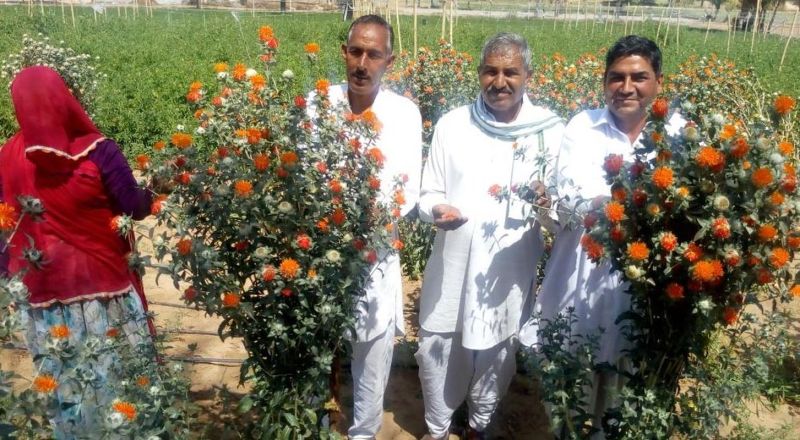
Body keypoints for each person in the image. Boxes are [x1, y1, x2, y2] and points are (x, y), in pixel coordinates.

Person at [528, 35, 685, 431]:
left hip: (642, 293)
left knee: (623, 402)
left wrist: (614, 204)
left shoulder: (678, 134)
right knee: (568, 396)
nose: (626, 87)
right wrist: (636, 205)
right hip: (578, 281)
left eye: (639, 77)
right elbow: (574, 196)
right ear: (604, 82)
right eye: (616, 77)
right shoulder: (583, 126)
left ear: (658, 82)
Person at [416, 32, 564, 440]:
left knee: (498, 351)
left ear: (528, 75)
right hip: (453, 261)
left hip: (509, 271)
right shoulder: (453, 124)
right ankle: (437, 426)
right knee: (437, 344)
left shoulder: (549, 131)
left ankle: (479, 425)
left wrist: (546, 202)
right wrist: (437, 209)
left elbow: (558, 216)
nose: (499, 81)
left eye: (510, 72)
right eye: (490, 71)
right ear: (479, 73)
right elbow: (429, 191)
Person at [0, 66, 154, 436]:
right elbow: (133, 206)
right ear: (65, 99)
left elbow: (4, 227)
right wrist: (153, 192)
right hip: (105, 292)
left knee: (66, 387)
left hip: (42, 300)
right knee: (121, 381)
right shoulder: (98, 152)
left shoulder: (7, 157)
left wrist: (7, 278)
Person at [310, 15, 423, 439]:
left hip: (375, 250)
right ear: (344, 52)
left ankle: (363, 431)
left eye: (373, 54)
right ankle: (319, 423)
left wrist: (368, 219)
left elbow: (407, 189)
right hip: (320, 248)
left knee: (372, 346)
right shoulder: (317, 104)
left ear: (388, 60)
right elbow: (304, 172)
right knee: (319, 339)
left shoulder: (404, 114)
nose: (362, 62)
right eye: (355, 51)